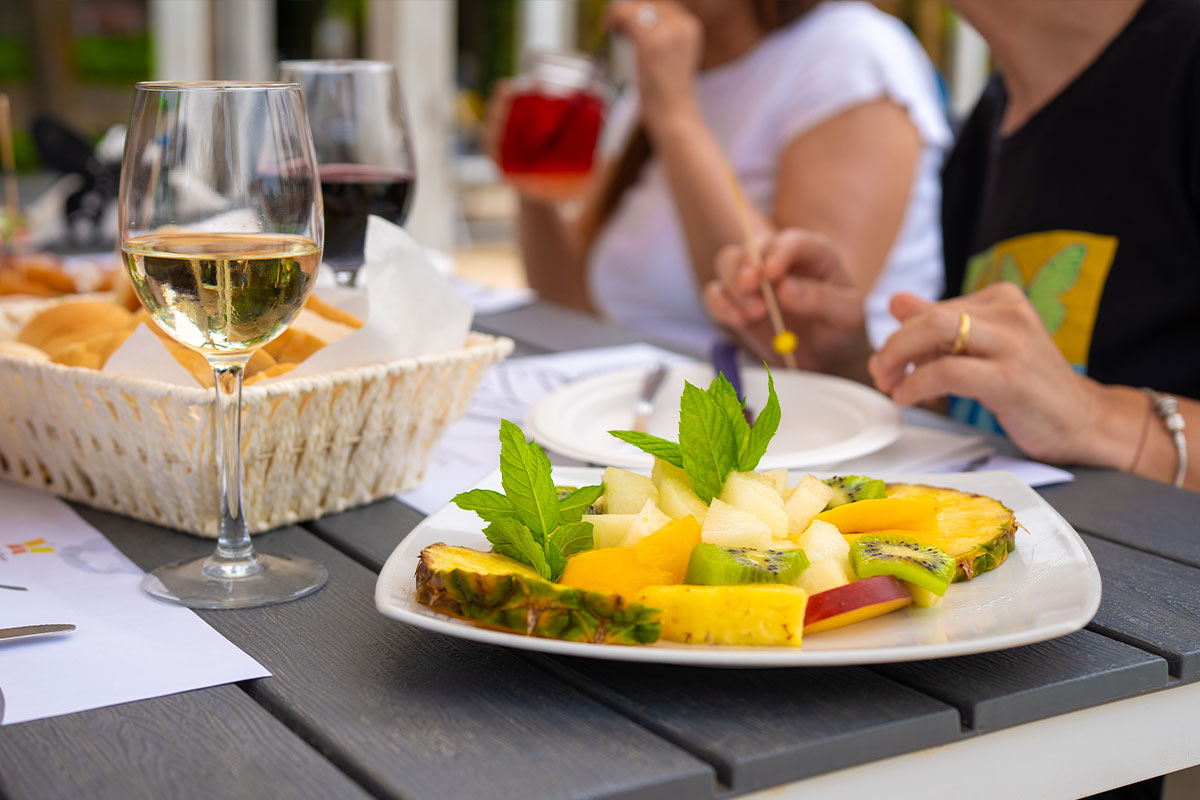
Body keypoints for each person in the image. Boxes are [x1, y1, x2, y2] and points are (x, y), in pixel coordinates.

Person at [706, 0, 1200, 491]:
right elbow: (986, 415)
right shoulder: (992, 119)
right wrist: (847, 364)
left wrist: (1096, 417)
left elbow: (1065, 416)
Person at [485, 0, 951, 352]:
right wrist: (533, 188)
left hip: (798, 418)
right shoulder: (665, 79)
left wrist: (676, 115)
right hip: (641, 401)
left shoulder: (851, 51)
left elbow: (794, 335)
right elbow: (572, 305)